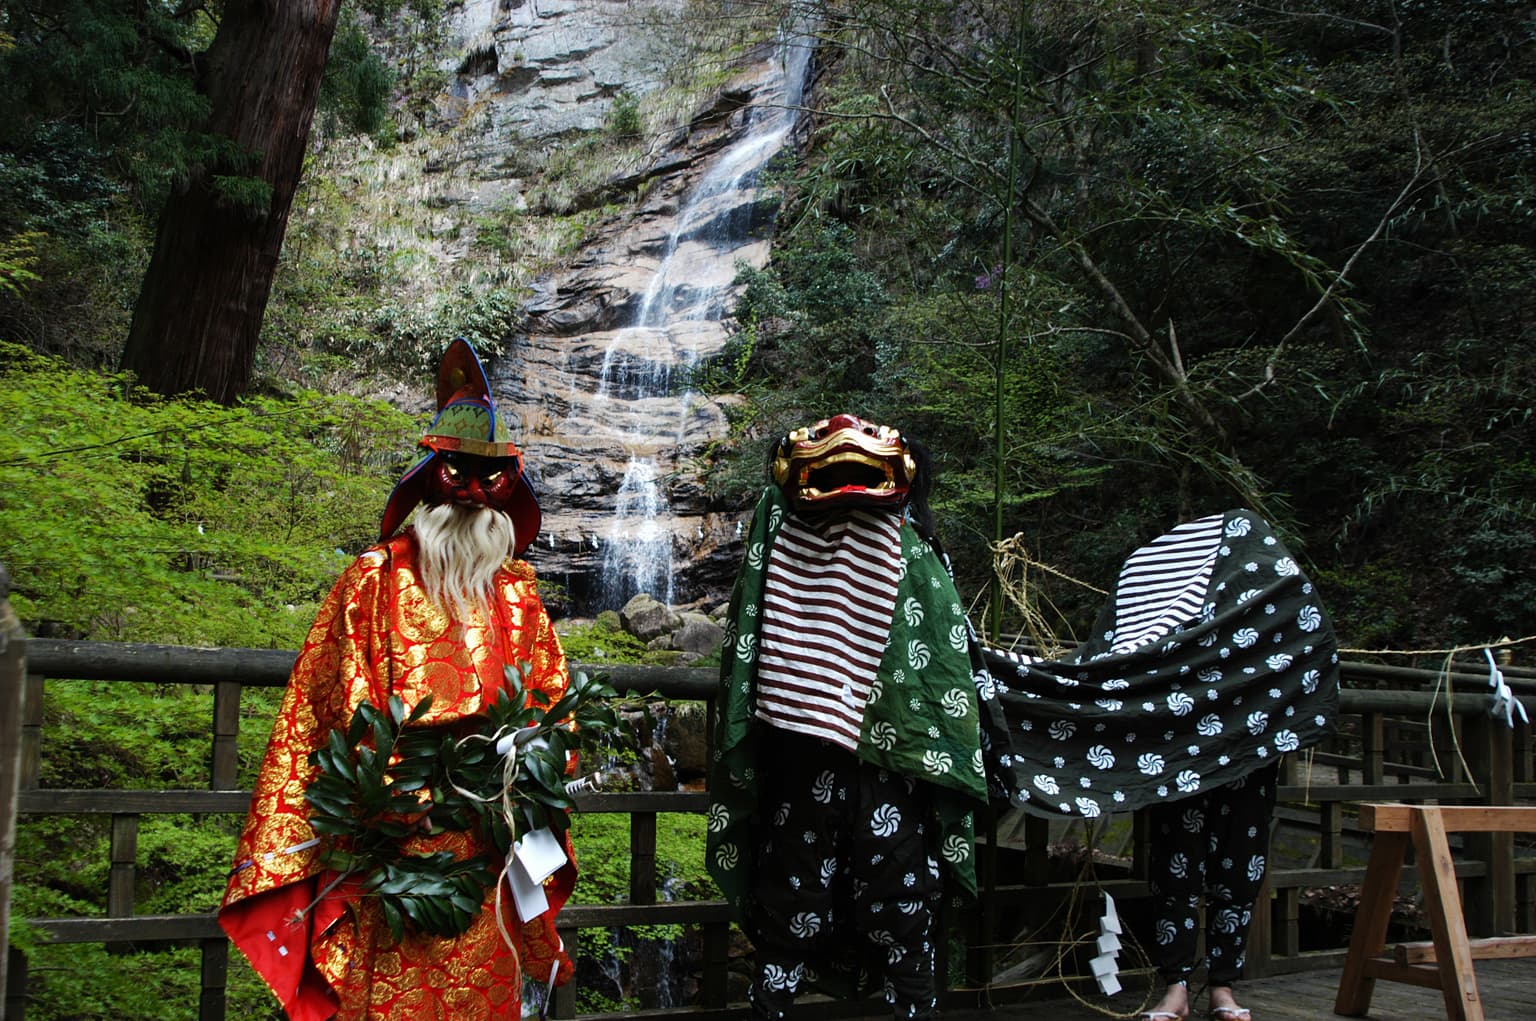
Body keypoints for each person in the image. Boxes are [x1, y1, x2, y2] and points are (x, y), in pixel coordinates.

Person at [219, 339, 576, 1021]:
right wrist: (395, 799)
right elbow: (331, 713)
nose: (472, 493)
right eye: (458, 472)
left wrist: (522, 778)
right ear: (429, 481)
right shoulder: (372, 582)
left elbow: (554, 710)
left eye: (488, 477)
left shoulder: (518, 593)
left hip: (489, 855)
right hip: (395, 853)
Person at [706, 415, 1015, 1021]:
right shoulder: (787, 531)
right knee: (801, 899)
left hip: (878, 759)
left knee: (890, 899)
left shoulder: (893, 545)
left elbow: (945, 650)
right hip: (813, 754)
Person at [978, 508, 1341, 1021]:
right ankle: (1174, 986)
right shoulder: (1150, 590)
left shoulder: (1257, 586)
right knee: (1176, 868)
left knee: (1240, 865)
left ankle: (1223, 987)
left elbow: (1297, 637)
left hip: (1246, 746)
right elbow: (1112, 664)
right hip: (1174, 751)